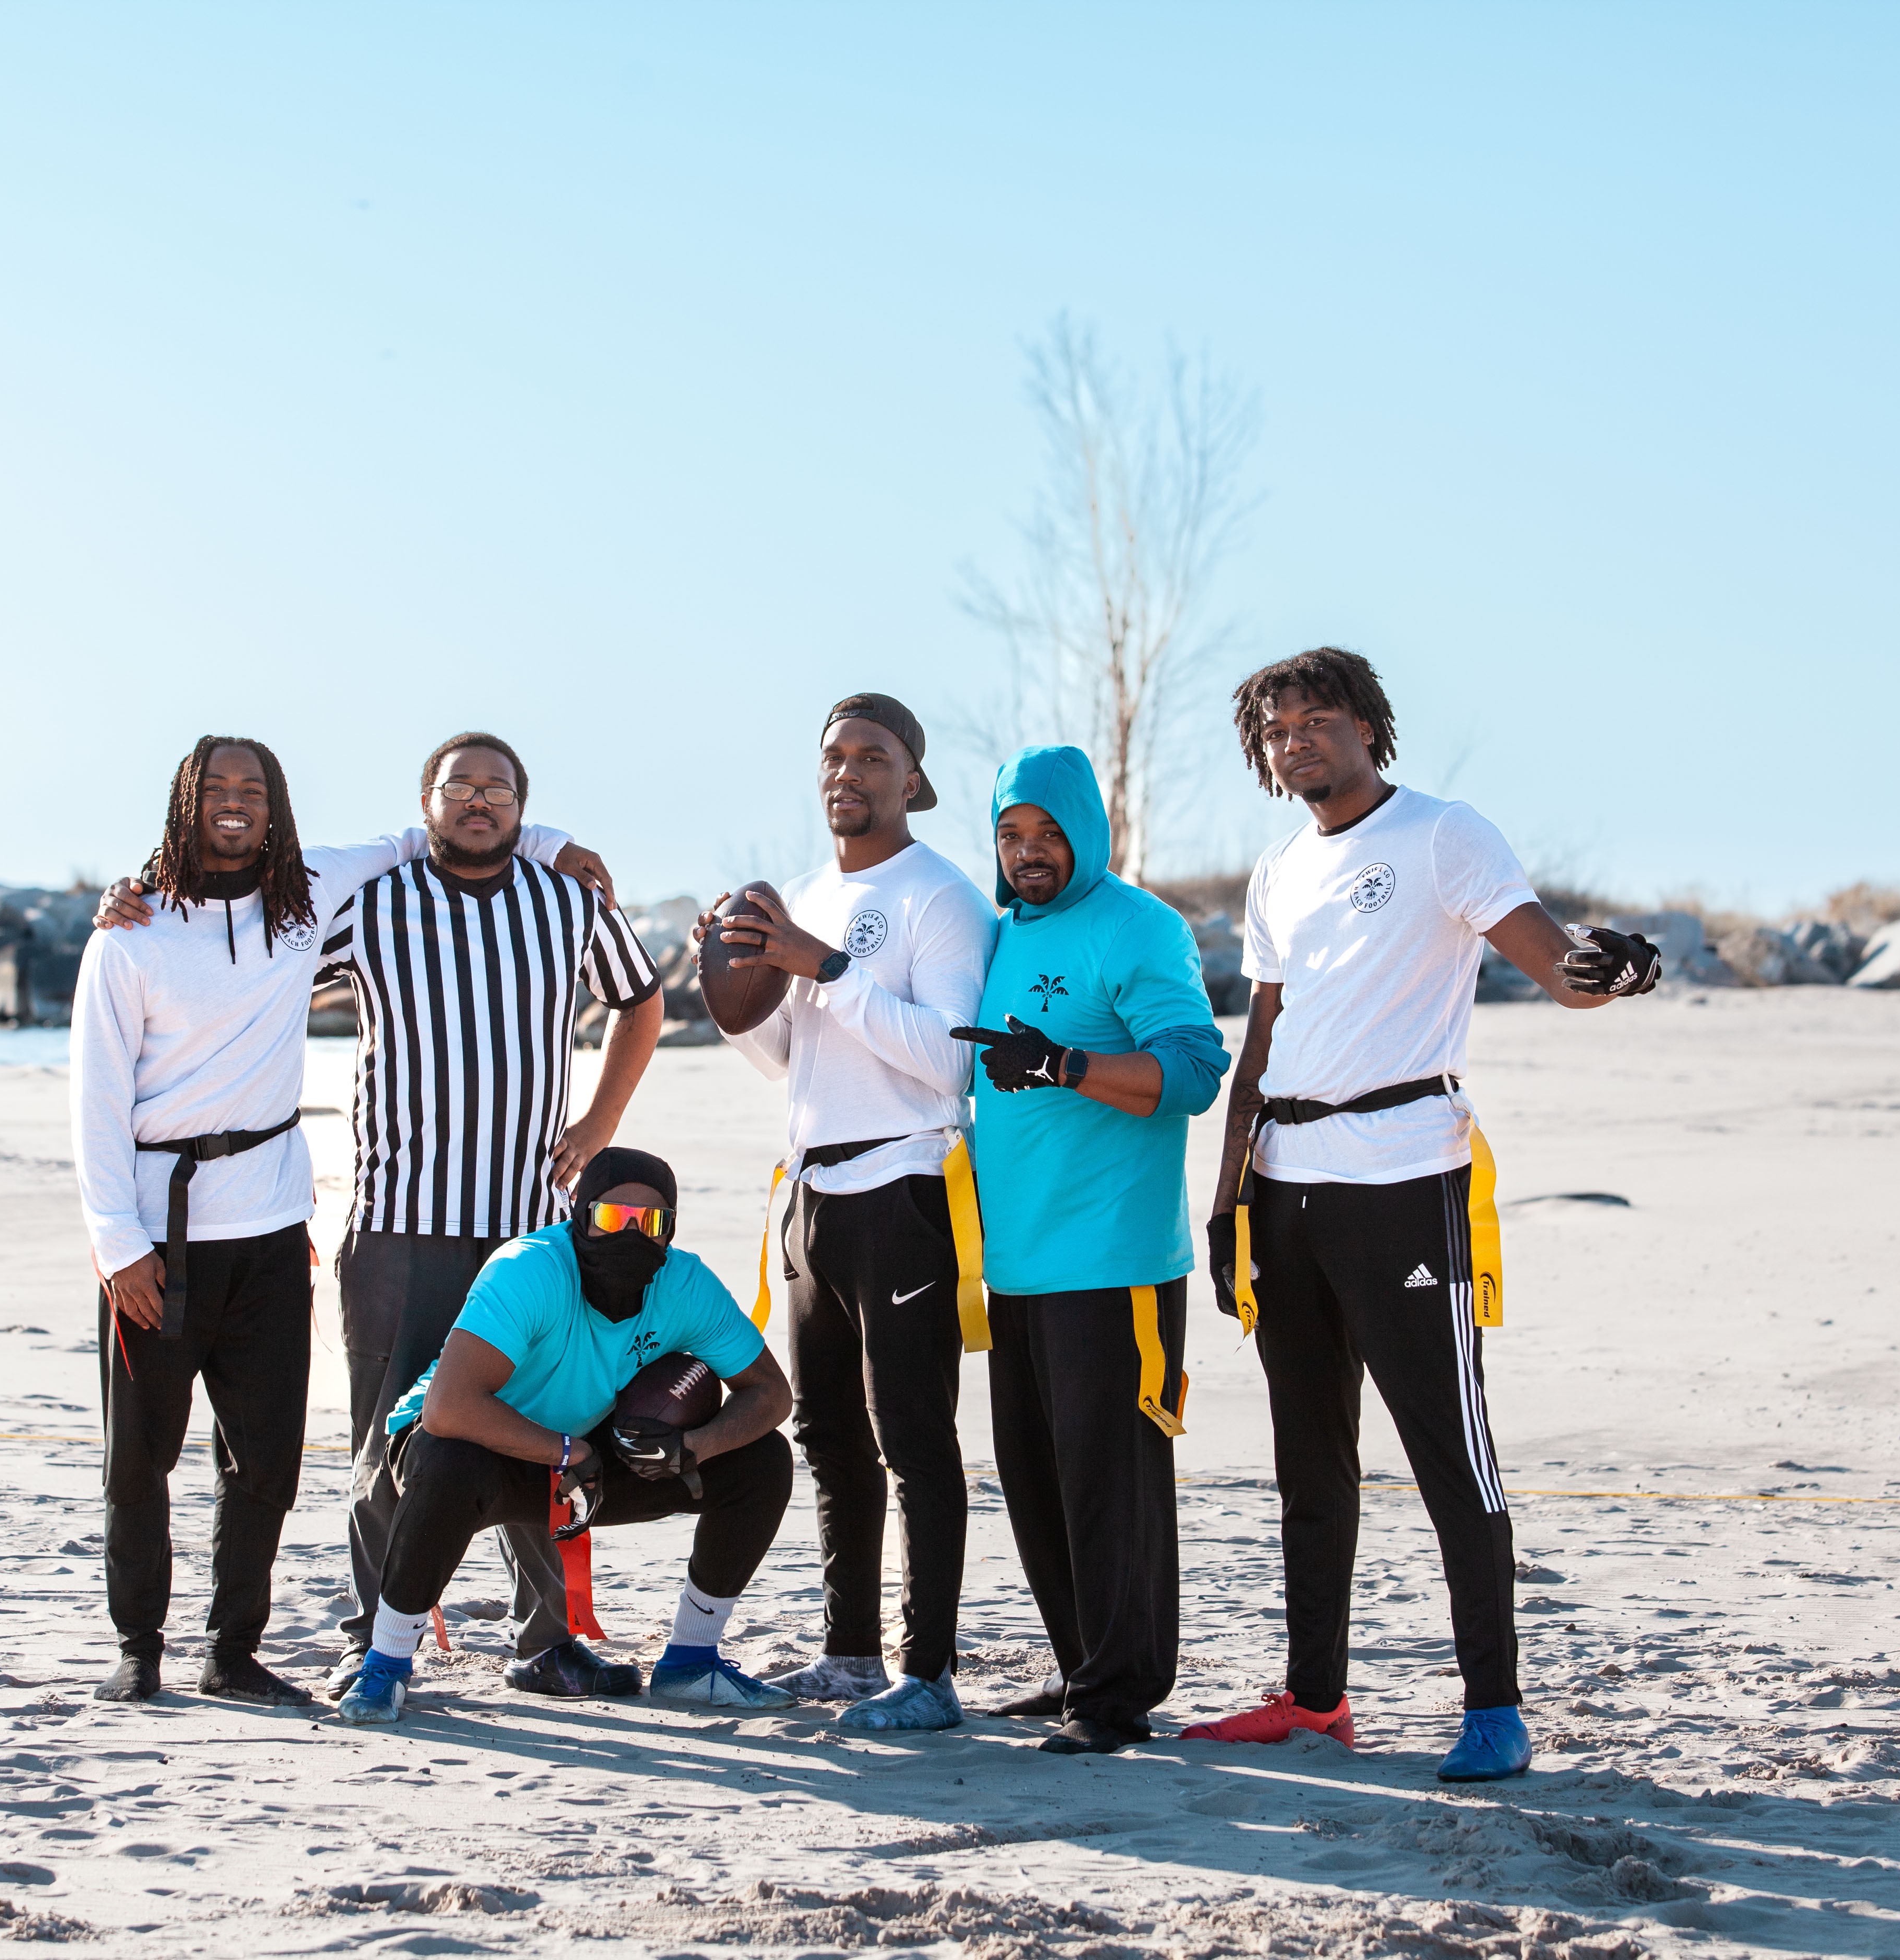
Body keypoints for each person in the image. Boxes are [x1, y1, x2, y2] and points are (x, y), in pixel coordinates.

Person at [97, 731, 662, 1701]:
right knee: (388, 1440)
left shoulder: (568, 902)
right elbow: (240, 973)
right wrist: (145, 900)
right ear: (426, 803)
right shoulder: (367, 907)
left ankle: (545, 1640)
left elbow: (641, 1002)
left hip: (531, 1224)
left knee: (543, 1424)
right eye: (459, 787)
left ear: (524, 809)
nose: (478, 802)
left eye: (498, 790)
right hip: (400, 1223)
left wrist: (599, 1122)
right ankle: (378, 1638)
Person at [1184, 648, 1661, 1781]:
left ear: (1368, 726)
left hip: (1403, 1175)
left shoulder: (1444, 834)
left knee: (1453, 1452)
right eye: (1278, 727)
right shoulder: (1276, 871)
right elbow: (1260, 1044)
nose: (1298, 738)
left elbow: (1556, 965)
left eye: (1319, 718)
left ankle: (1494, 1707)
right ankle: (1314, 1700)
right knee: (1310, 1458)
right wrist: (1227, 1198)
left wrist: (1616, 967)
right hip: (1286, 1185)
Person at [697, 693, 997, 1732]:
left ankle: (933, 1670)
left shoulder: (941, 897)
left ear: (911, 778)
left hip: (905, 1186)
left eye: (873, 756)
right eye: (834, 755)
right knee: (828, 1434)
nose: (849, 771)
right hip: (812, 1192)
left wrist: (825, 966)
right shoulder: (811, 893)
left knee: (914, 1435)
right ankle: (853, 1654)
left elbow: (953, 1057)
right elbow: (791, 1055)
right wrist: (731, 984)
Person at [950, 746, 1229, 1756]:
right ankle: (1079, 1668)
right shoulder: (998, 938)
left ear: (1088, 833)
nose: (1030, 854)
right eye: (1011, 836)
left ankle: (1117, 1697)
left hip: (1115, 1264)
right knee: (1036, 1480)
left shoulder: (1138, 926)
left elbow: (1197, 1071)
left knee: (1114, 1482)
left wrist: (1066, 1063)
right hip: (1016, 1264)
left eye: (1049, 834)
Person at [333, 1147, 799, 1723]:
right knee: (450, 1463)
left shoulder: (684, 1282)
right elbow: (448, 1409)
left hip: (584, 1459)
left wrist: (692, 1447)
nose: (631, 1235)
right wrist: (565, 1450)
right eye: (612, 1219)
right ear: (578, 1214)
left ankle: (691, 1660)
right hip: (471, 1448)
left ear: (671, 1230)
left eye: (650, 1224)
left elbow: (772, 1395)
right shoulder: (529, 1269)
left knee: (763, 1459)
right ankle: (386, 1665)